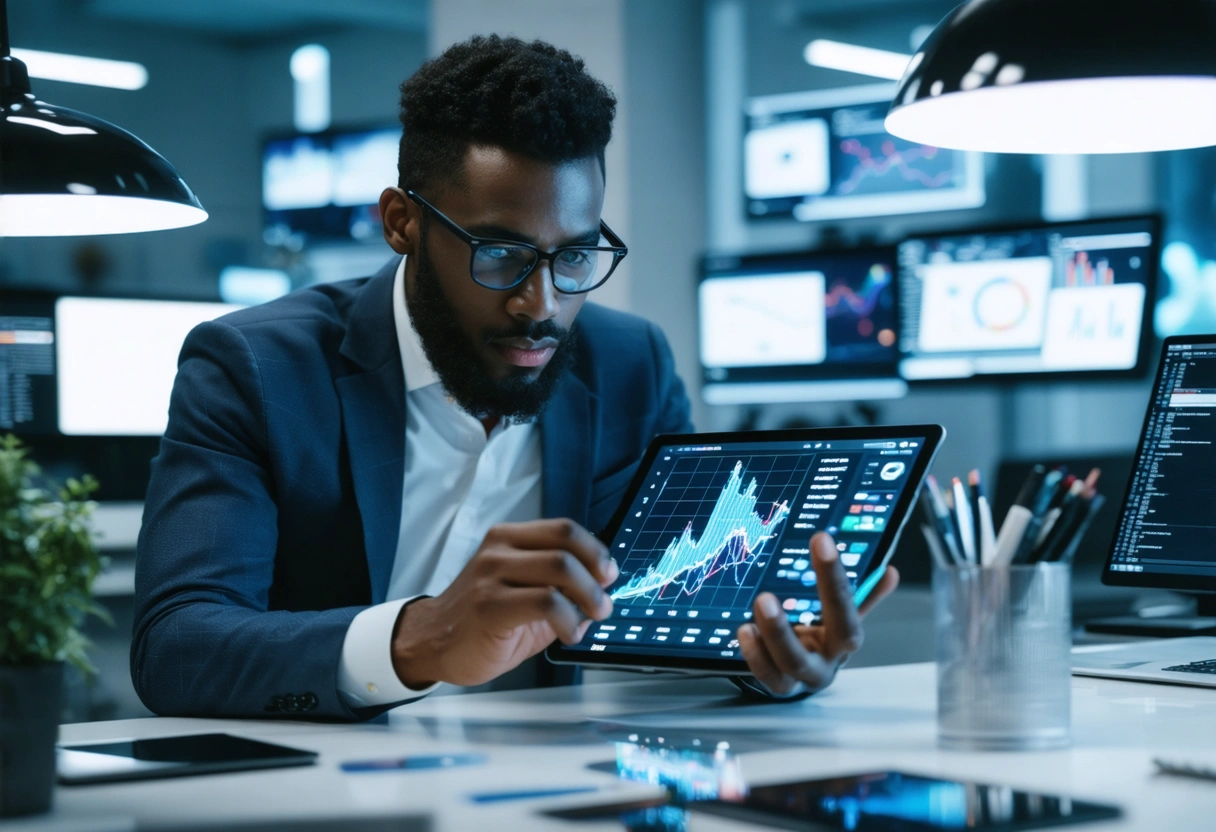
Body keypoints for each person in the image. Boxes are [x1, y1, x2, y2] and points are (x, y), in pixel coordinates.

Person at [131, 35, 898, 721]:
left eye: (575, 256)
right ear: (402, 222)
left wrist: (769, 663)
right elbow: (177, 644)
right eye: (497, 254)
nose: (543, 304)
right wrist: (419, 640)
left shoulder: (631, 366)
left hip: (546, 790)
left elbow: (682, 618)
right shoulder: (255, 367)